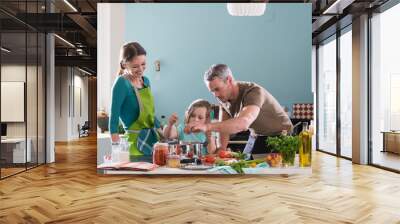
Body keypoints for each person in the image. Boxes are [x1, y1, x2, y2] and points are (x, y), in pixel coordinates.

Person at [186, 64, 293, 156]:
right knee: (242, 167)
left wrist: (207, 126)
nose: (215, 95)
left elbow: (243, 123)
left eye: (217, 89)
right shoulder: (223, 97)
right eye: (212, 91)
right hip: (256, 136)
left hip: (280, 137)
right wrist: (221, 150)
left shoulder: (253, 92)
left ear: (229, 80)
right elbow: (224, 125)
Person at [109, 42, 159, 157]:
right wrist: (116, 150)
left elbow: (150, 114)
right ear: (124, 64)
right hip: (133, 146)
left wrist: (165, 128)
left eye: (143, 64)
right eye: (135, 66)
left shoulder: (146, 81)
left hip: (152, 142)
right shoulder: (122, 83)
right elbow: (113, 120)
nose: (141, 69)